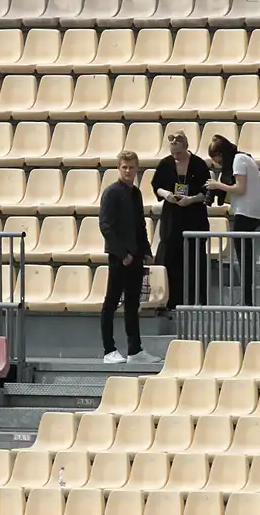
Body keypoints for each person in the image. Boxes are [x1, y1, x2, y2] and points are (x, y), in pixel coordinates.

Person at [98, 150, 161, 365]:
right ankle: (109, 350)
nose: (128, 171)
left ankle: (135, 350)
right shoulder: (111, 193)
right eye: (124, 167)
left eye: (131, 167)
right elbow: (105, 226)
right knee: (111, 302)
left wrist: (146, 251)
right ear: (118, 168)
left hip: (135, 257)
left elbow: (140, 224)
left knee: (133, 304)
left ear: (137, 169)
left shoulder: (136, 193)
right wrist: (122, 253)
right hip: (119, 258)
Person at [151, 131, 212, 309]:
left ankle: (195, 300)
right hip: (172, 216)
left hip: (194, 216)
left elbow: (206, 192)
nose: (176, 156)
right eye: (173, 153)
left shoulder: (199, 164)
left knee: (194, 259)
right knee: (170, 256)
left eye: (179, 153)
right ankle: (170, 301)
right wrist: (167, 195)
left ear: (186, 148)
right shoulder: (166, 164)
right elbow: (157, 186)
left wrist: (191, 199)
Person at [205, 135, 260, 306]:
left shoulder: (239, 160)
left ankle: (247, 301)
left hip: (246, 213)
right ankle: (247, 300)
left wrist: (217, 186)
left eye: (216, 158)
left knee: (244, 258)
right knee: (243, 257)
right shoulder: (244, 158)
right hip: (248, 211)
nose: (216, 163)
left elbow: (240, 188)